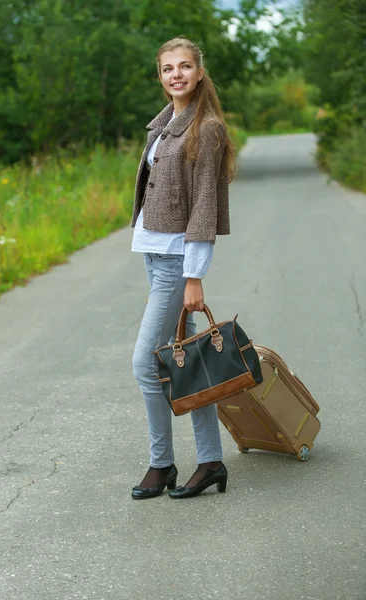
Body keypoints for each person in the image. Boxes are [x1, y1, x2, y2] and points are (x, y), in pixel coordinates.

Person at [131, 37, 236, 499]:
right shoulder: (163, 124)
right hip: (156, 255)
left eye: (185, 67)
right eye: (168, 68)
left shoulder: (206, 128)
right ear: (160, 76)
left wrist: (195, 275)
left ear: (199, 72)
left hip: (177, 262)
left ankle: (162, 464)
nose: (176, 74)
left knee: (146, 364)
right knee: (185, 360)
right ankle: (210, 462)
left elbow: (204, 208)